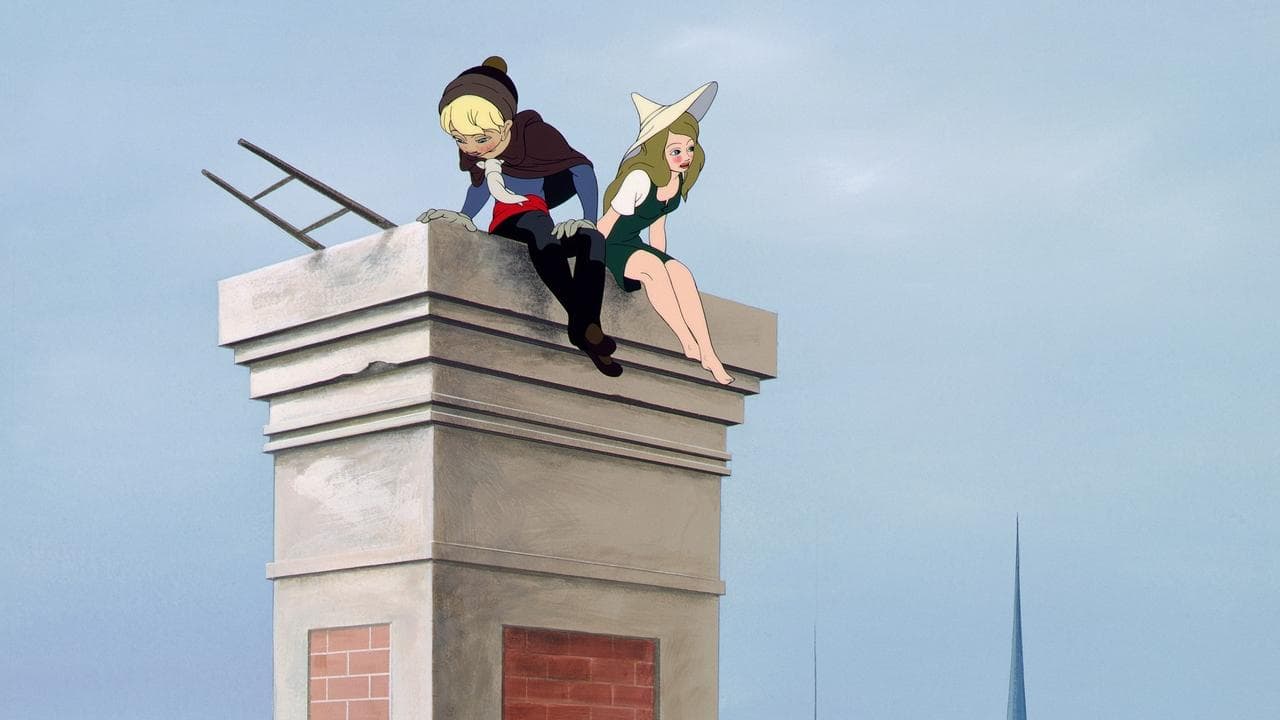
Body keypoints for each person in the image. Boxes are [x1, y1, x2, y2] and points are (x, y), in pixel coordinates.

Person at [418, 56, 621, 377]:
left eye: (480, 138)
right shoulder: (478, 152)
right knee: (539, 227)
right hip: (508, 224)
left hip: (540, 222)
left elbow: (581, 170)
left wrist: (587, 219)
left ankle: (587, 326)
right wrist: (464, 216)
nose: (471, 147)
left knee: (589, 239)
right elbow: (481, 187)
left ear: (507, 126)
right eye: (460, 139)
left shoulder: (535, 135)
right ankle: (581, 323)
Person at [596, 82, 733, 385]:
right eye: (676, 151)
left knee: (680, 272)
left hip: (634, 244)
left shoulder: (676, 181)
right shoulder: (639, 179)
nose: (685, 156)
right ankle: (686, 341)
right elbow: (607, 223)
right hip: (610, 245)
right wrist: (588, 255)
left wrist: (666, 261)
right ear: (658, 151)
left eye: (690, 148)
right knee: (653, 269)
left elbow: (657, 228)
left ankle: (709, 352)